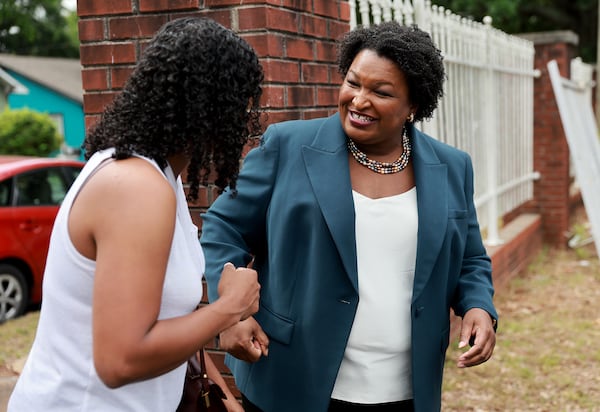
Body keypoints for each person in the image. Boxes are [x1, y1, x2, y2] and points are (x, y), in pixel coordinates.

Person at [200, 21, 498, 412]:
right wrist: (231, 313)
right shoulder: (288, 146)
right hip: (293, 378)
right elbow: (223, 229)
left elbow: (470, 258)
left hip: (406, 387)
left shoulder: (452, 166)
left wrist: (478, 306)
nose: (359, 101)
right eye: (353, 83)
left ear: (414, 107)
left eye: (381, 92)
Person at [8, 17, 264, 412]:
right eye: (242, 104)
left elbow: (163, 317)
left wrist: (221, 392)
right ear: (212, 107)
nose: (247, 120)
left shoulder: (160, 175)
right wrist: (229, 308)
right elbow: (120, 360)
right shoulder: (135, 188)